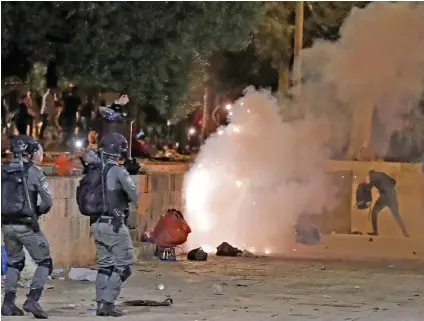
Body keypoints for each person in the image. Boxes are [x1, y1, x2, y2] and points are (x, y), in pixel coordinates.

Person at [1, 135, 53, 318]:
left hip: (6, 225)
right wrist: (37, 212)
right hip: (27, 225)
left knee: (14, 262)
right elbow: (47, 201)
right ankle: (33, 300)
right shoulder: (34, 171)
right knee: (45, 261)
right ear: (30, 153)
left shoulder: (2, 169)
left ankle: (7, 304)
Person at [90, 133, 137, 317]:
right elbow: (134, 196)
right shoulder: (117, 170)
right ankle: (108, 303)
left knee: (105, 265)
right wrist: (131, 174)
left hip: (96, 224)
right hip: (114, 224)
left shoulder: (93, 171)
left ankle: (100, 303)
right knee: (124, 264)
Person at [365, 170, 409, 237]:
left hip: (384, 197)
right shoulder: (382, 174)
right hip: (392, 195)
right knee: (396, 215)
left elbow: (369, 187)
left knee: (374, 212)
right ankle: (405, 233)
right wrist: (389, 188)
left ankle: (375, 231)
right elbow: (394, 182)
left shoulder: (373, 176)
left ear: (370, 174)